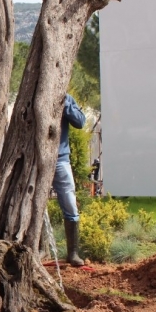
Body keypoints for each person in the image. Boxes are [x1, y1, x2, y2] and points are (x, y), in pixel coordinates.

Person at [53, 94, 86, 267]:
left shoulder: (67, 98)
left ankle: (73, 253)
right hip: (34, 158)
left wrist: (66, 105)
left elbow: (80, 122)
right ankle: (35, 249)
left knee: (70, 203)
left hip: (60, 159)